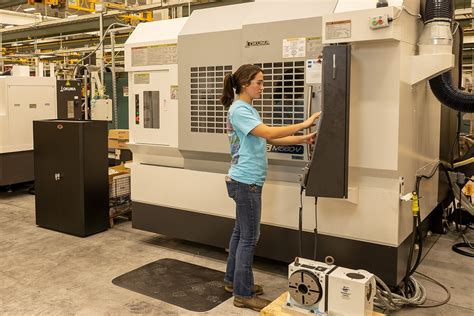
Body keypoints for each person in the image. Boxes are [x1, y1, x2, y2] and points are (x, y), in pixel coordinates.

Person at [220, 64, 320, 311]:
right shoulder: (240, 110)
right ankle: (243, 294)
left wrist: (303, 138)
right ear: (245, 84)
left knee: (239, 234)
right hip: (246, 182)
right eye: (259, 82)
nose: (263, 87)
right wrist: (304, 123)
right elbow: (269, 132)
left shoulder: (246, 109)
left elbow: (271, 138)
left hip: (244, 180)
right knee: (249, 239)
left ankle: (233, 282)